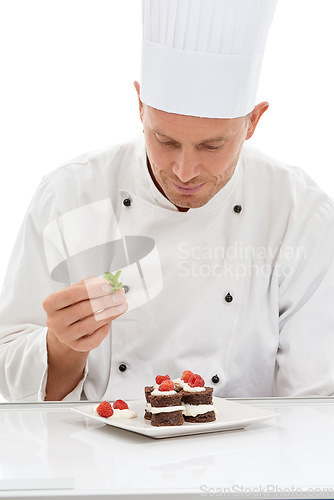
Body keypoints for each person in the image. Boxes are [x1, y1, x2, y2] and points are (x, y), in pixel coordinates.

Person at [0, 0, 334, 402]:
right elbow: (10, 378)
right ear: (140, 107)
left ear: (253, 122)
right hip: (95, 458)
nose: (184, 170)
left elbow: (316, 403)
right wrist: (65, 348)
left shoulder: (299, 215)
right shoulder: (70, 194)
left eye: (212, 145)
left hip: (244, 461)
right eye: (165, 140)